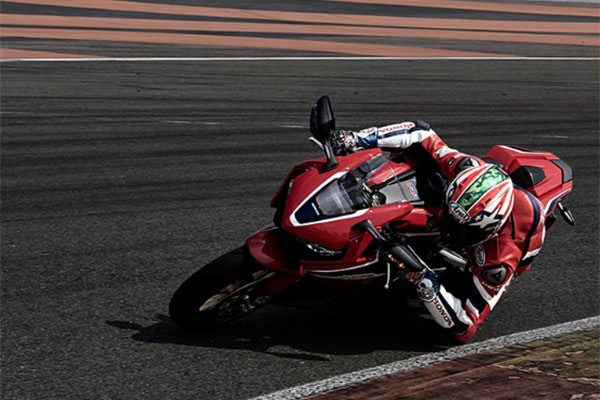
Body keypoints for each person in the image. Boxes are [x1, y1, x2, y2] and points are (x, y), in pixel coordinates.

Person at [330, 121, 546, 343]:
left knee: (445, 299)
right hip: (459, 207)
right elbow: (420, 132)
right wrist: (358, 139)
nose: (450, 231)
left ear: (490, 230)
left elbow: (464, 326)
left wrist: (424, 280)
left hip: (507, 243)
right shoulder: (465, 167)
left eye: (461, 230)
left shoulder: (499, 258)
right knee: (420, 163)